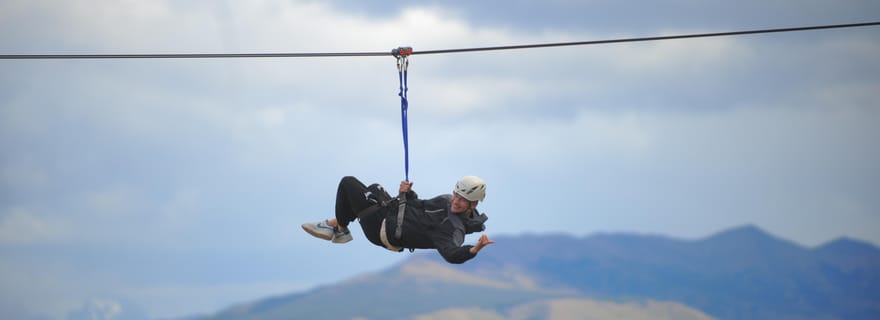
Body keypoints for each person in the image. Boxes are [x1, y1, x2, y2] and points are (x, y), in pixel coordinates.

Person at [302, 175, 494, 264]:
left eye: (463, 201)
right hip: (392, 214)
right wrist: (408, 193)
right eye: (456, 195)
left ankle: (340, 228)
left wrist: (474, 249)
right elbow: (419, 204)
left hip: (383, 230)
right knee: (374, 188)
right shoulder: (446, 200)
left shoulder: (453, 228)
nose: (456, 201)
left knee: (348, 183)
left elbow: (452, 254)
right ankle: (335, 224)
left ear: (474, 204)